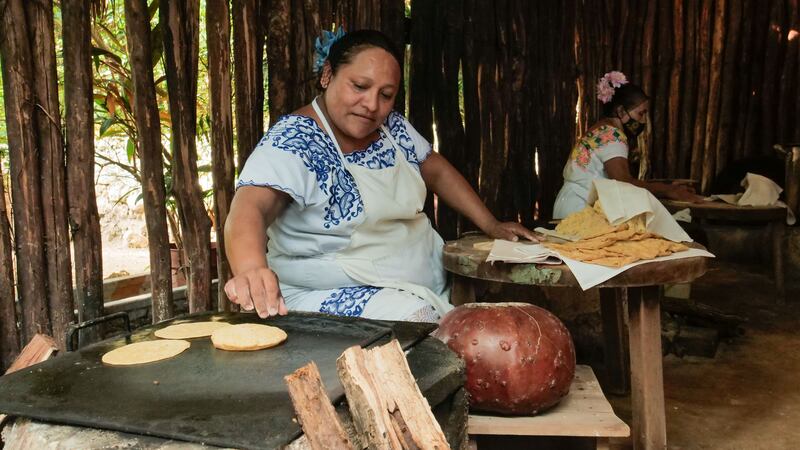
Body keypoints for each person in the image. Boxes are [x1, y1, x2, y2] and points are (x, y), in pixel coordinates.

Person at [224, 29, 536, 323]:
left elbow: (437, 171)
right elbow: (250, 207)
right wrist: (250, 269)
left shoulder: (393, 128)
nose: (372, 105)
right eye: (359, 87)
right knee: (420, 323)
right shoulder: (295, 140)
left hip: (423, 283)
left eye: (386, 94)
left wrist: (491, 224)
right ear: (327, 74)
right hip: (324, 295)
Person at [553, 71, 703, 219]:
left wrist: (667, 187)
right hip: (580, 210)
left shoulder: (600, 128)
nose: (644, 121)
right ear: (620, 111)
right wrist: (669, 191)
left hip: (568, 204)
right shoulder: (613, 135)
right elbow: (623, 182)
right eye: (640, 113)